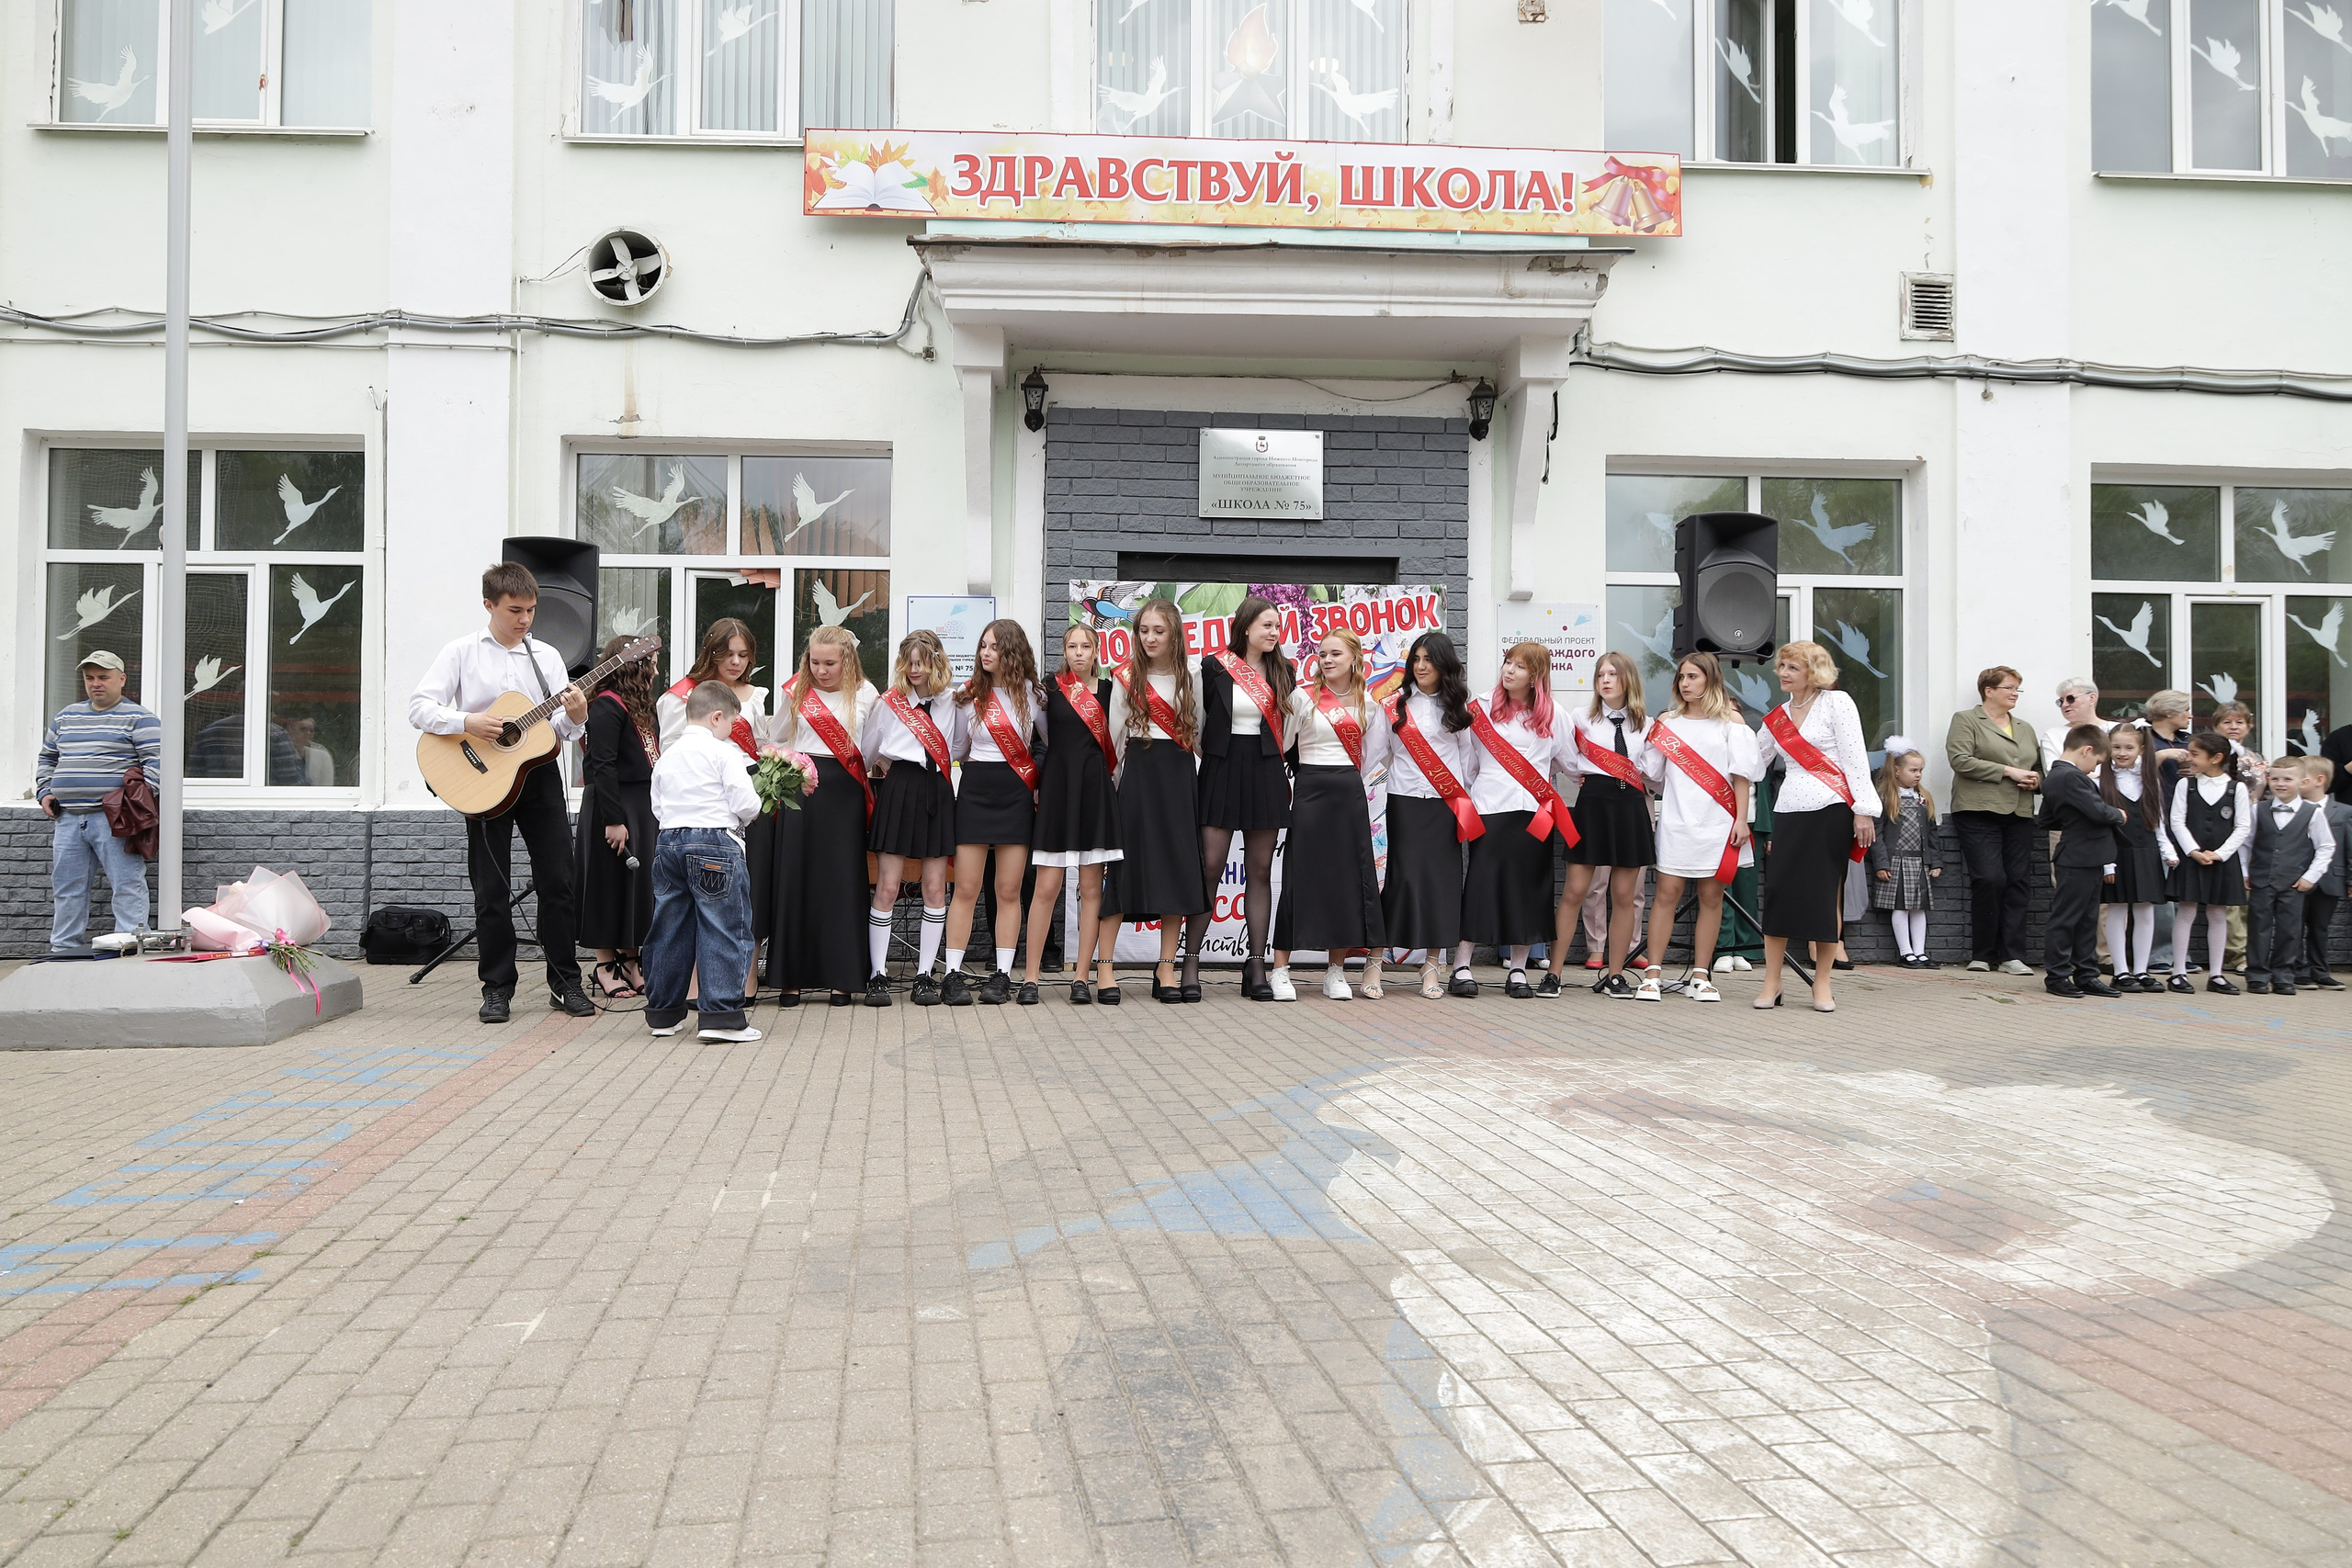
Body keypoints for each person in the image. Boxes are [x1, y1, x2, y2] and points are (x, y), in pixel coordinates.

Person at [408, 564, 594, 1023]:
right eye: (515, 610)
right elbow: (419, 707)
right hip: (482, 780)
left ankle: (565, 982)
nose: (524, 619)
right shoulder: (461, 652)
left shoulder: (546, 656)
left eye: (531, 610)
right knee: (491, 890)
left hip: (539, 779)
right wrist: (465, 722)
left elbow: (558, 732)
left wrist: (577, 716)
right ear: (489, 605)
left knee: (558, 883)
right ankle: (496, 989)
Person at [1754, 639, 1879, 1012]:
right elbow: (1752, 762)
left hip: (1832, 809)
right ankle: (1772, 982)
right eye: (1782, 667)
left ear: (1813, 671)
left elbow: (1856, 759)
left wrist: (1863, 810)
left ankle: (1821, 983)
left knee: (1826, 897)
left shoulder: (1837, 703)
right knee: (1778, 894)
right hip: (1789, 810)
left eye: (1792, 667)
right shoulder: (1777, 716)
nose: (1783, 674)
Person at [1270, 628, 1390, 1001]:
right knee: (1298, 877)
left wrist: (1345, 776)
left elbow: (1373, 756)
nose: (1327, 659)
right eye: (1322, 653)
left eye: (1335, 653)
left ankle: (1335, 971)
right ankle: (1280, 970)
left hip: (1348, 794)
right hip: (1310, 790)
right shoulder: (1303, 698)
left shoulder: (1369, 705)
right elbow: (1282, 744)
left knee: (1345, 881)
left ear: (1354, 658)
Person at [642, 681, 764, 1043]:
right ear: (717, 717)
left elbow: (657, 805)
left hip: (668, 843)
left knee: (669, 928)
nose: (731, 731)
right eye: (731, 723)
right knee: (724, 927)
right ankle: (721, 1017)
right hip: (715, 844)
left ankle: (662, 1014)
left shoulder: (668, 756)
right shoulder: (723, 752)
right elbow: (746, 803)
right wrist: (751, 814)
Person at [1100, 597, 1206, 1008]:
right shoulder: (1126, 676)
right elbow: (1113, 737)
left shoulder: (1191, 676)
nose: (1150, 638)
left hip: (1179, 776)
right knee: (1126, 871)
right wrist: (1111, 789)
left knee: (1177, 870)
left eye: (1158, 631)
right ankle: (1105, 966)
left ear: (1174, 633)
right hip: (1140, 776)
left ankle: (1166, 967)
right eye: (1144, 630)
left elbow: (1200, 734)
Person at [1189, 597, 1295, 1003]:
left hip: (1266, 772)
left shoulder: (1284, 670)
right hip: (1222, 768)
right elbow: (1197, 721)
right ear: (1246, 627)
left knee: (1261, 870)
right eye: (1266, 625)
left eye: (1277, 626)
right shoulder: (1214, 666)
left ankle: (1255, 965)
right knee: (1210, 867)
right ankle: (1191, 961)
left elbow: (1292, 725)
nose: (1273, 632)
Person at [766, 624, 876, 1007]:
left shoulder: (865, 694)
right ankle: (789, 979)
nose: (821, 670)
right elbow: (774, 736)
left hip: (844, 793)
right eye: (814, 662)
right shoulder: (796, 691)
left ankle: (841, 978)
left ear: (848, 661)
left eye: (830, 663)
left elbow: (873, 748)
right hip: (801, 790)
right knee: (794, 879)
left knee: (841, 882)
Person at [1638, 652, 1757, 1001]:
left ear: (1710, 679)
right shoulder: (1669, 724)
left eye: (1693, 677)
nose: (1685, 684)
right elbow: (1653, 774)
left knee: (1711, 898)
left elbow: (1742, 776)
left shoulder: (1731, 724)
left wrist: (1741, 820)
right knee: (1665, 895)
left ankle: (1702, 976)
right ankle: (1653, 974)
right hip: (1677, 821)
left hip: (1718, 823)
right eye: (1682, 677)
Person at [662, 619, 770, 994]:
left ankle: (746, 980)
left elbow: (765, 744)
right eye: (728, 654)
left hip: (747, 790)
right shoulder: (682, 696)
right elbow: (670, 751)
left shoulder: (757, 696)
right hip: (701, 801)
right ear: (711, 652)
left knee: (746, 893)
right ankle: (694, 985)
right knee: (698, 898)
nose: (736, 662)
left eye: (744, 655)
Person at [1021, 623, 1123, 1006]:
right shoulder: (1048, 690)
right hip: (1060, 790)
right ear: (1064, 651)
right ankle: (1030, 977)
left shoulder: (1113, 691)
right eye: (1071, 646)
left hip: (1095, 790)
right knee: (1047, 887)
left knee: (1092, 888)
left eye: (1085, 646)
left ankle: (1081, 976)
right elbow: (1042, 734)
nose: (1078, 652)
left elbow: (1117, 740)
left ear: (1097, 651)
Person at [945, 620, 1046, 1006]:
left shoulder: (1034, 696)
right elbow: (955, 749)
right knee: (967, 888)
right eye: (982, 645)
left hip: (1015, 792)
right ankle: (953, 974)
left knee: (1008, 890)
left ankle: (1003, 974)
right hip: (975, 789)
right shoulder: (968, 696)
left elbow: (1048, 745)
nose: (985, 653)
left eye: (994, 647)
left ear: (1012, 651)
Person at [862, 629, 964, 1007]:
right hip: (899, 789)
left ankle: (924, 976)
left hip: (937, 788)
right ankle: (878, 976)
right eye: (909, 662)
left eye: (922, 662)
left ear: (936, 662)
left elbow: (959, 747)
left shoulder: (953, 702)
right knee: (887, 887)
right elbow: (868, 751)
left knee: (935, 889)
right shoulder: (889, 703)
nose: (915, 669)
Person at [1464, 641, 1569, 1000]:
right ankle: (1462, 964)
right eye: (1507, 662)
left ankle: (1519, 970)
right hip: (1490, 807)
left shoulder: (1555, 715)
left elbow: (1568, 763)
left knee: (1528, 889)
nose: (1508, 670)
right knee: (1481, 883)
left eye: (1519, 667)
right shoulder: (1479, 707)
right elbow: (1467, 761)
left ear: (1536, 675)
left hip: (1536, 813)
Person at [36, 650, 162, 953]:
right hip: (67, 818)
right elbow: (47, 757)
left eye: (103, 677)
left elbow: (157, 765)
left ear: (121, 679)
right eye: (90, 678)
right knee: (67, 888)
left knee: (127, 885)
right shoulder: (66, 716)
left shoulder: (140, 718)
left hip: (114, 819)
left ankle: (129, 948)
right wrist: (45, 791)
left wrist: (134, 804)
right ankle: (63, 951)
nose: (96, 683)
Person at [1381, 631, 1482, 999]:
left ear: (1444, 666)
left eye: (1429, 660)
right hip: (1405, 801)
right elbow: (1377, 751)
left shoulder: (1457, 709)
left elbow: (1468, 763)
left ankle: (1432, 967)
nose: (1421, 666)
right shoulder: (1393, 705)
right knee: (1402, 879)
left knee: (1442, 884)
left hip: (1445, 804)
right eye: (1416, 660)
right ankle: (1378, 961)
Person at [1554, 652, 1656, 999]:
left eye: (1613, 674)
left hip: (1630, 808)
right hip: (1593, 805)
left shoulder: (1647, 723)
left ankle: (1615, 975)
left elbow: (1653, 774)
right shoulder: (1580, 718)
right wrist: (1578, 776)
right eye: (1601, 675)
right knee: (1574, 891)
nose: (1606, 680)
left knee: (1624, 896)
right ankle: (1554, 973)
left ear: (1628, 679)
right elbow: (1565, 756)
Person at [1944, 665, 2042, 976]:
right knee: (1989, 879)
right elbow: (1960, 760)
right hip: (1977, 810)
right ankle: (1982, 954)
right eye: (2009, 687)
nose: (2015, 693)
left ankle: (2013, 955)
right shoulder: (1967, 720)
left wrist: (2036, 781)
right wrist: (2008, 772)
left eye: (2017, 689)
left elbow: (2038, 766)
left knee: (2017, 882)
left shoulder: (2025, 727)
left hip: (2020, 811)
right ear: (1989, 690)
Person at [577, 636, 661, 1001]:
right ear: (634, 665)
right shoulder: (606, 707)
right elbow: (603, 765)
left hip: (638, 804)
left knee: (633, 887)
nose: (656, 669)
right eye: (652, 662)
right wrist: (613, 819)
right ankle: (604, 966)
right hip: (613, 806)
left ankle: (630, 960)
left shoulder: (639, 706)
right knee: (607, 884)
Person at [2041, 725, 2127, 998]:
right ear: (2086, 750)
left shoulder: (2056, 776)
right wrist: (2118, 814)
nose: (2094, 769)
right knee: (2068, 918)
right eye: (2097, 762)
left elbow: (2047, 818)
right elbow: (2097, 811)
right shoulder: (2070, 776)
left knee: (2086, 918)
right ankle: (2058, 975)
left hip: (2083, 855)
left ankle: (2085, 973)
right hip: (2078, 855)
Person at [2166, 731, 2251, 996]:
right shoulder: (2186, 785)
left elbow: (2242, 827)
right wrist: (2192, 851)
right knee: (2186, 911)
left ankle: (2216, 974)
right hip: (2192, 859)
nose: (2188, 758)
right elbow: (2177, 821)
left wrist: (2220, 853)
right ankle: (2177, 972)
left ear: (2216, 758)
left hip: (2222, 861)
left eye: (2194, 754)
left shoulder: (2236, 788)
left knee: (2218, 913)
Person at [2245, 761, 2334, 996]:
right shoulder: (2258, 810)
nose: (2280, 784)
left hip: (2294, 882)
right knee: (2258, 929)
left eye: (2287, 779)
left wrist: (2311, 876)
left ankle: (2284, 976)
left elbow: (2325, 846)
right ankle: (2256, 975)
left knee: (2290, 930)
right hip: (2261, 879)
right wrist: (2245, 871)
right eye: (2275, 779)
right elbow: (2246, 843)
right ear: (2268, 780)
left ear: (2302, 782)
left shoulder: (2312, 812)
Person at [2098, 723, 2174, 992]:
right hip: (2117, 854)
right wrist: (2107, 861)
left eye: (2128, 747)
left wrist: (2167, 850)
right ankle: (2120, 971)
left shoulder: (2149, 778)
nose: (2122, 753)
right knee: (2117, 909)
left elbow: (2159, 820)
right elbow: (2101, 827)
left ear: (2141, 750)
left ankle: (2141, 970)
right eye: (2116, 747)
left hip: (2147, 851)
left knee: (2145, 910)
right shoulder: (2101, 780)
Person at [1865, 737, 1939, 969]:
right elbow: (1876, 834)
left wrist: (1935, 861)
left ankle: (1920, 952)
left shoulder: (1922, 799)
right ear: (1897, 771)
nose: (1918, 775)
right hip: (1895, 860)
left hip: (1918, 861)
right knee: (1900, 906)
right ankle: (1905, 952)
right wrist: (1881, 863)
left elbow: (1933, 833)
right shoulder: (1886, 797)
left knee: (1919, 907)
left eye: (1920, 770)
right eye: (1913, 770)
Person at [2211, 701, 2265, 972]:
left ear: (2248, 726)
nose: (2233, 727)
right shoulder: (2209, 757)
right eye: (2227, 722)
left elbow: (2260, 794)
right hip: (2221, 831)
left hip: (2251, 830)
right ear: (2215, 727)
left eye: (2239, 722)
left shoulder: (2254, 759)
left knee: (2248, 890)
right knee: (2230, 896)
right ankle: (2236, 954)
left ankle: (2249, 952)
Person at [2297, 757, 2350, 990]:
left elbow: (2350, 847)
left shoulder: (2345, 812)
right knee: (2294, 926)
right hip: (2296, 879)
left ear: (2320, 780)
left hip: (2330, 879)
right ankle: (2297, 970)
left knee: (2320, 927)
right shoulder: (2292, 809)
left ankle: (2320, 971)